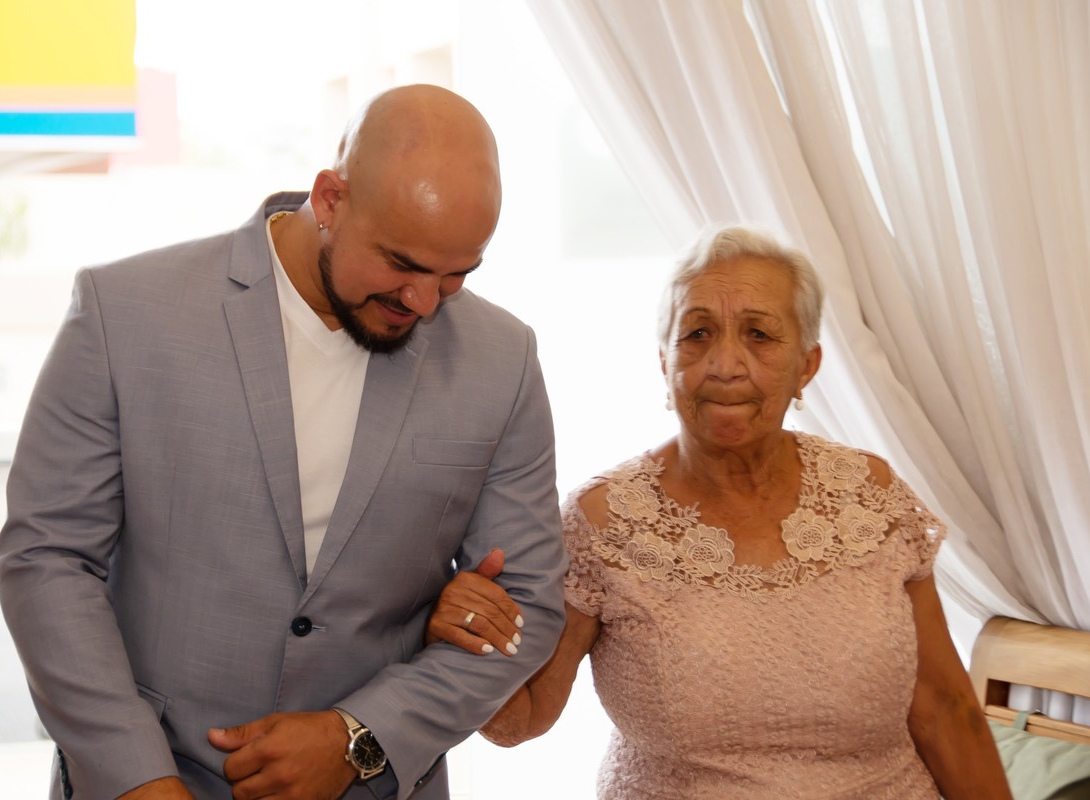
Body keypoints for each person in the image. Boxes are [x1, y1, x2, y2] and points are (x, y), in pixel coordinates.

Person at [0, 84, 568, 800]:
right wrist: (137, 777)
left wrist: (359, 738)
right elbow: (47, 561)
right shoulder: (124, 313)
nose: (424, 303)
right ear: (330, 200)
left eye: (456, 275)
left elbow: (528, 604)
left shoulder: (502, 359)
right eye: (402, 264)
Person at [427, 225, 1013, 798]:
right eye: (698, 334)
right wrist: (469, 634)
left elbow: (945, 710)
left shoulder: (871, 494)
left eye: (759, 335)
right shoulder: (603, 521)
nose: (725, 364)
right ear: (664, 362)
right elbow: (522, 719)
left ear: (806, 366)